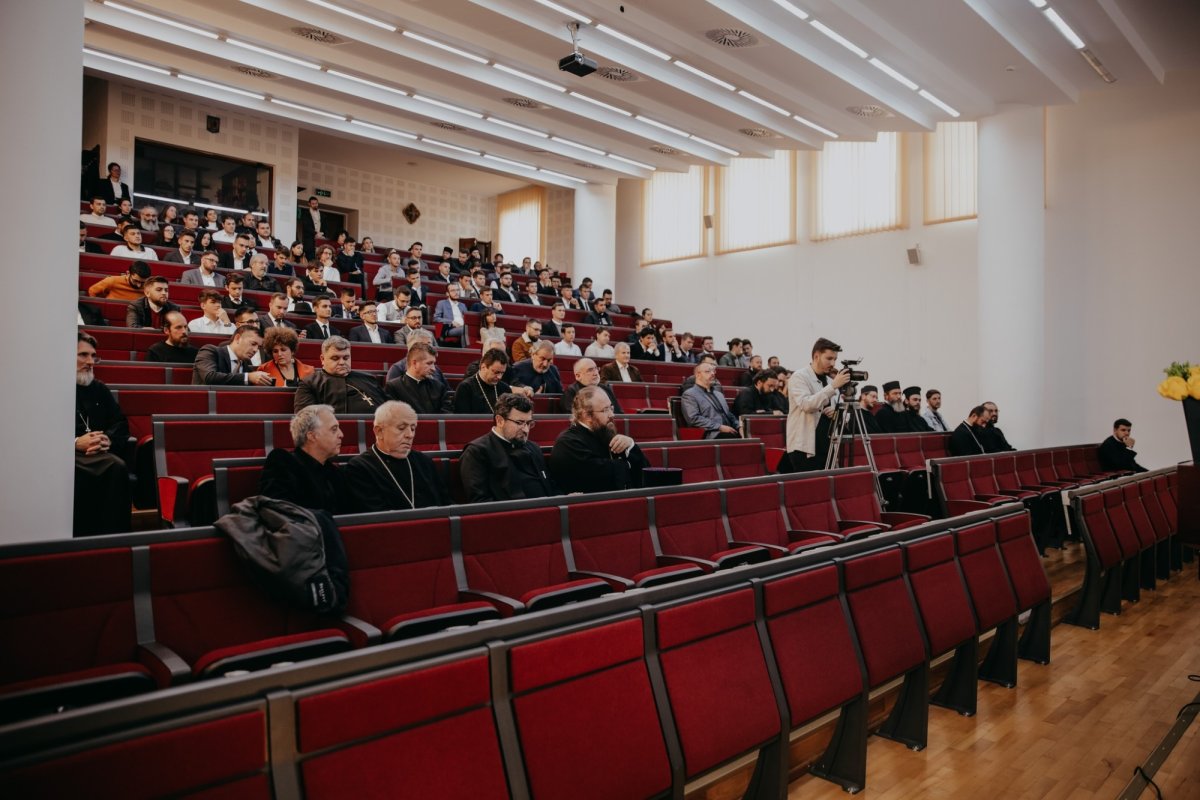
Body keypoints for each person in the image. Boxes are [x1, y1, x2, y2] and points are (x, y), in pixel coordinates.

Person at [74, 332, 132, 536]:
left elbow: (120, 422)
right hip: (67, 455)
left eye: (93, 356)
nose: (90, 362)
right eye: (83, 355)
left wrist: (107, 439)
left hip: (100, 453)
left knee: (116, 466)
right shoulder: (52, 389)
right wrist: (74, 443)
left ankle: (114, 540)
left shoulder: (99, 389)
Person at [344, 401, 449, 512]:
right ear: (379, 431)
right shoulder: (359, 468)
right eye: (401, 428)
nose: (410, 435)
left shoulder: (424, 462)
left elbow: (446, 504)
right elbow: (374, 519)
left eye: (413, 428)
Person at [459, 393, 557, 502]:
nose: (526, 430)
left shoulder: (533, 447)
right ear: (500, 420)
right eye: (519, 423)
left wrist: (564, 498)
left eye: (529, 423)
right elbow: (480, 501)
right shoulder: (477, 451)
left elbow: (550, 485)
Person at [550, 386, 649, 493]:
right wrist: (628, 463)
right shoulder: (568, 443)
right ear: (587, 415)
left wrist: (631, 445)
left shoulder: (604, 433)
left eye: (611, 408)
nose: (612, 414)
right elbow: (600, 478)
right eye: (605, 410)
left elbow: (646, 473)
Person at [258, 405, 346, 514]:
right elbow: (278, 512)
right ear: (312, 436)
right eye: (334, 429)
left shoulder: (335, 473)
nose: (341, 434)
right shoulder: (283, 462)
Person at [784, 337, 851, 472]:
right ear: (816, 356)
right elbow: (807, 404)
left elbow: (846, 414)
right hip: (804, 448)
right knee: (810, 490)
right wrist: (833, 386)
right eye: (829, 358)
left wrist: (836, 414)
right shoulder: (799, 377)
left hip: (828, 446)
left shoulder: (830, 380)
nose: (832, 363)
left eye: (835, 359)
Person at [295, 336, 387, 413]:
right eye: (335, 358)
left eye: (346, 358)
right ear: (322, 359)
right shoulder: (310, 384)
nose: (342, 362)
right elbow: (305, 421)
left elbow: (388, 409)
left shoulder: (369, 379)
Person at [193, 325, 275, 386]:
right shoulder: (210, 351)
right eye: (253, 344)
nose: (255, 350)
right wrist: (248, 377)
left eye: (259, 347)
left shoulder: (246, 365)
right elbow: (209, 377)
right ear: (238, 338)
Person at [385, 342, 451, 413]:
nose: (433, 369)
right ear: (414, 363)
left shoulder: (439, 387)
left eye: (434, 363)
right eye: (429, 363)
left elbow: (447, 415)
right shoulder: (394, 387)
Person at [682, 362, 741, 439]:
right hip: (711, 433)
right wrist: (719, 427)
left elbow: (728, 414)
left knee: (749, 434)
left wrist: (739, 426)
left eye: (713, 371)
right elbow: (694, 418)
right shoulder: (690, 394)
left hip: (730, 430)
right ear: (698, 375)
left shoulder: (719, 394)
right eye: (708, 371)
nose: (712, 373)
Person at [454, 348, 515, 414]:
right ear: (483, 367)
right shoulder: (465, 388)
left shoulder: (505, 389)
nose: (499, 377)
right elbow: (463, 419)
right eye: (496, 372)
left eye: (502, 373)